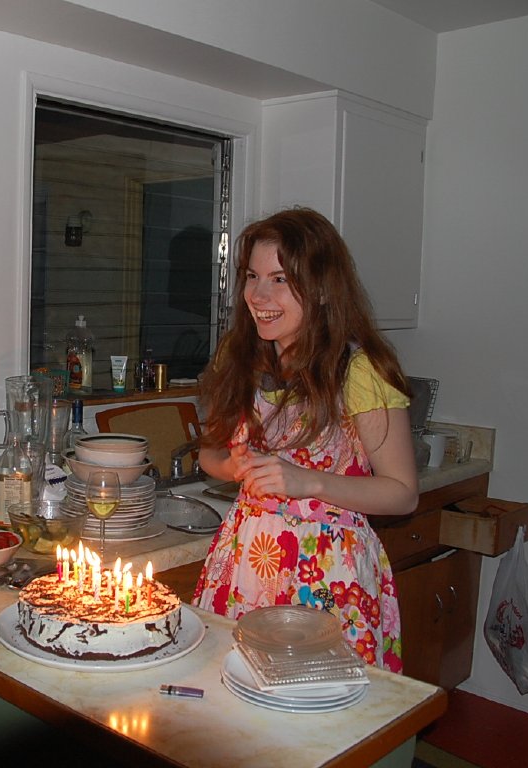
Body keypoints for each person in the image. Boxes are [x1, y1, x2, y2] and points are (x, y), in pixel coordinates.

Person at [192, 208, 418, 673]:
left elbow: (402, 493)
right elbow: (210, 451)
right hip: (246, 565)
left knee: (316, 708)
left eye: (280, 279)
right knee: (232, 697)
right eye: (252, 276)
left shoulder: (358, 371)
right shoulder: (239, 357)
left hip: (329, 578)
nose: (258, 295)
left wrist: (308, 482)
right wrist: (232, 467)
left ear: (320, 288)